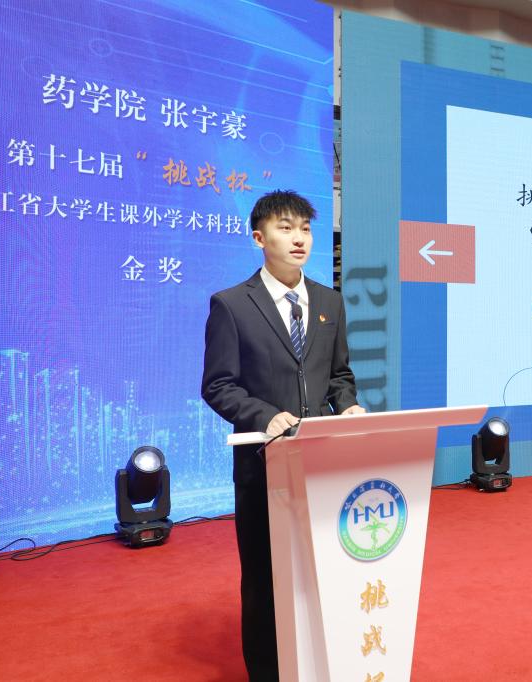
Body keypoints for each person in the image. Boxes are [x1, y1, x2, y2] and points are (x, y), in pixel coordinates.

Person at [201, 190, 365, 680]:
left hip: (322, 465)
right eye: (285, 228)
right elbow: (218, 385)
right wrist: (264, 415)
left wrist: (348, 404)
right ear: (259, 238)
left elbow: (338, 374)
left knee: (323, 570)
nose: (299, 239)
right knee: (265, 579)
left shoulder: (329, 302)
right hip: (263, 466)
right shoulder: (232, 305)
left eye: (306, 229)